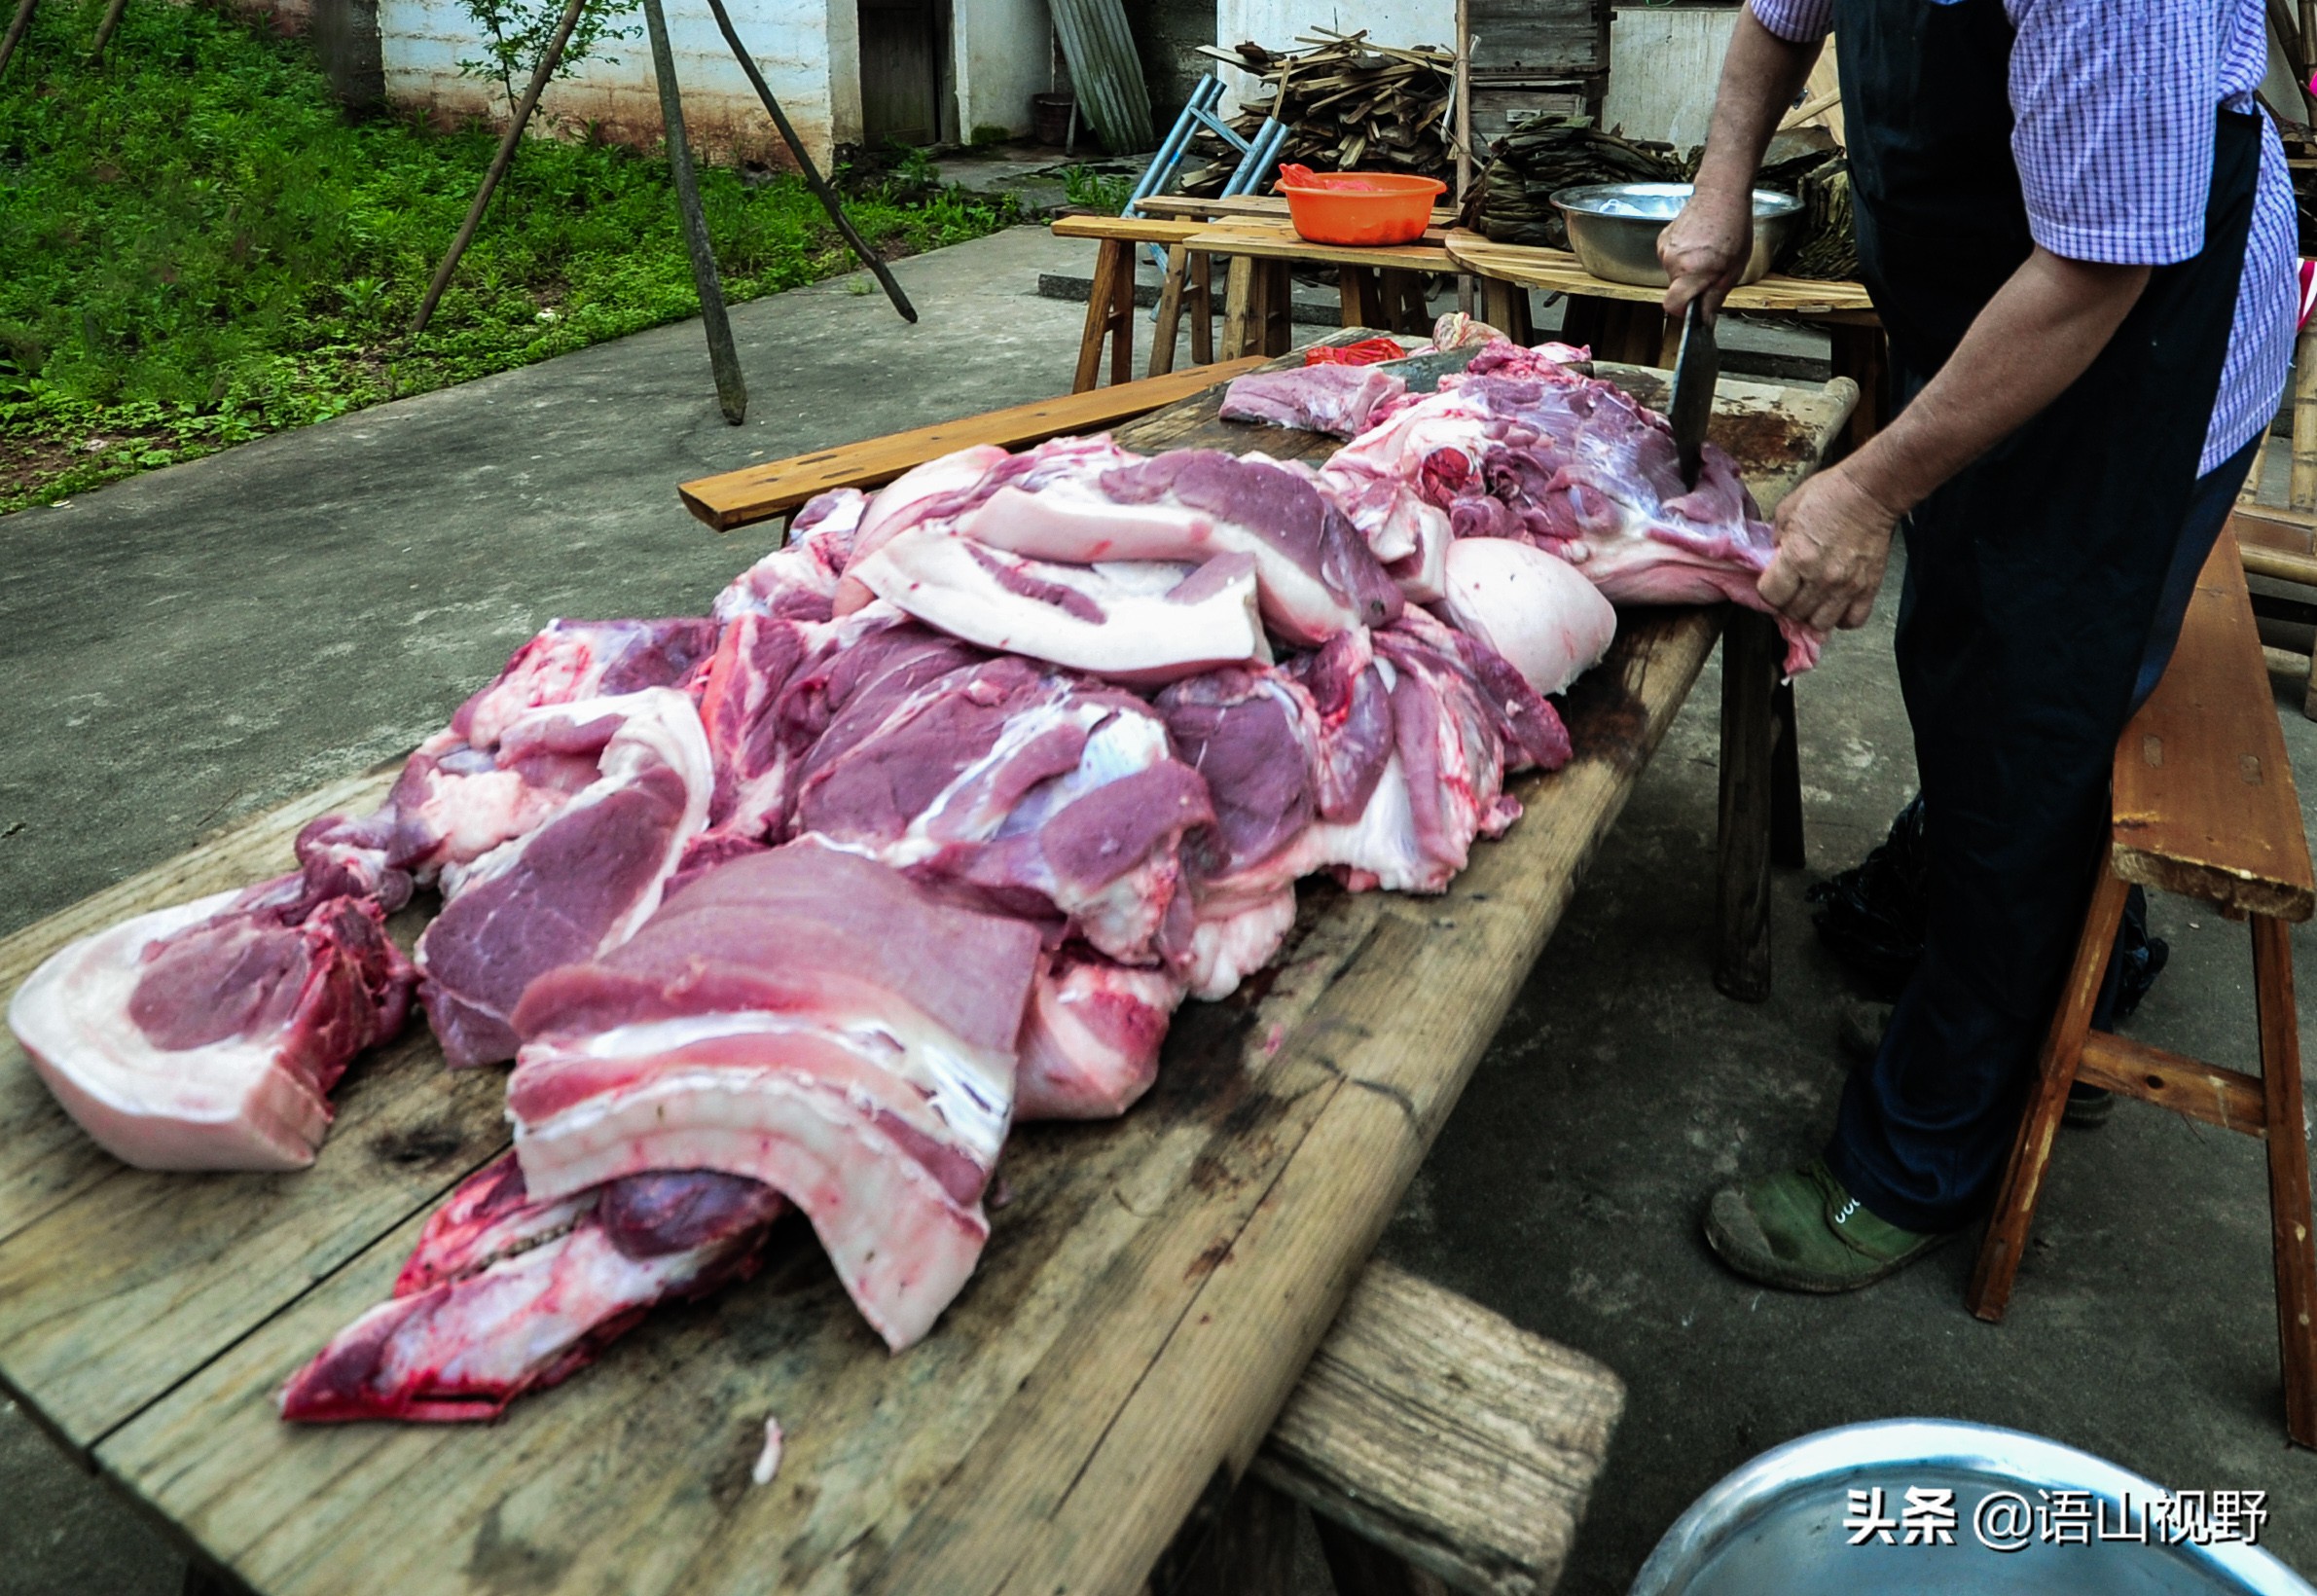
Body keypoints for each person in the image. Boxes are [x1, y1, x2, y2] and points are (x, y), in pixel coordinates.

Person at [1659, 0, 2298, 1291]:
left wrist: (1866, 491)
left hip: (2137, 349)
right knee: (1966, 661)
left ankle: (1924, 1157)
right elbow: (1777, 21)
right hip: (1987, 308)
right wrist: (1717, 192)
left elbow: (2099, 266)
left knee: (2026, 723)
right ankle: (2063, 981)